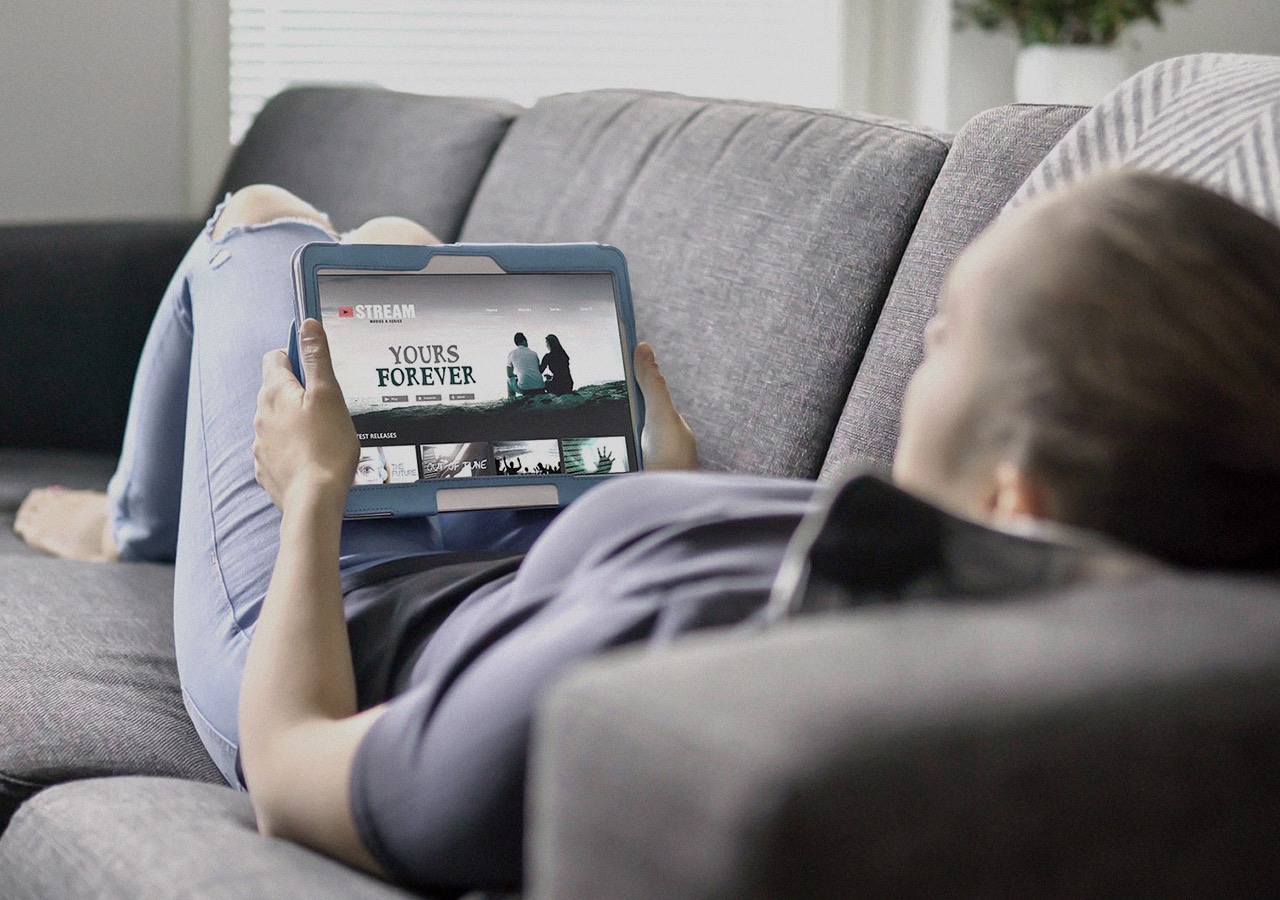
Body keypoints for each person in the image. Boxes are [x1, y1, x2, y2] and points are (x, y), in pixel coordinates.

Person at [13, 170, 1280, 891]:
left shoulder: (622, 704)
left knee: (261, 220)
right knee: (391, 254)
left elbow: (295, 767)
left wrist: (309, 495)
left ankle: (135, 527)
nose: (915, 360)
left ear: (1013, 500)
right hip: (501, 572)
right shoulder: (939, 570)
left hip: (330, 628)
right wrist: (665, 485)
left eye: (945, 337)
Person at [505, 332, 546, 396]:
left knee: (509, 381)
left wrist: (518, 376)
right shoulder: (534, 353)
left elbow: (509, 375)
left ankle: (512, 399)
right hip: (540, 387)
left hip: (526, 389)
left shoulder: (512, 354)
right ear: (524, 341)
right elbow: (538, 370)